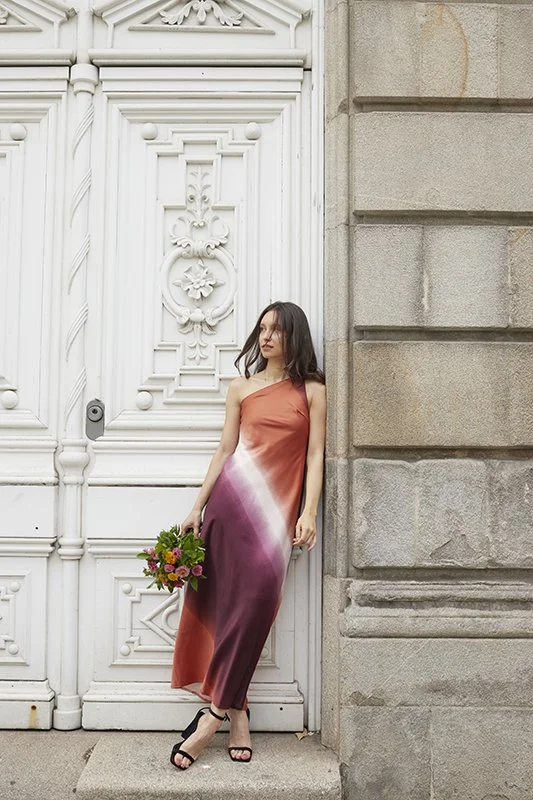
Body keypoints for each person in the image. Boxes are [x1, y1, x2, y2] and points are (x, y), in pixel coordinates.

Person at [170, 300, 326, 770]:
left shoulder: (312, 390)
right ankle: (238, 715)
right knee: (228, 612)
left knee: (255, 607)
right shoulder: (240, 388)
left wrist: (309, 511)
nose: (267, 337)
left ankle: (211, 717)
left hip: (277, 516)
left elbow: (316, 454)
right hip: (229, 509)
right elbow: (225, 449)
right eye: (262, 329)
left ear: (294, 335)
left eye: (276, 330)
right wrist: (198, 506)